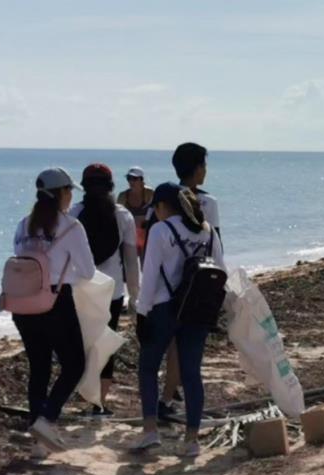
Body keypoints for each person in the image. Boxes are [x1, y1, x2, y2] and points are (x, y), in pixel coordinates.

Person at [132, 182, 226, 456]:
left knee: (148, 368)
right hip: (197, 310)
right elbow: (221, 270)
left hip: (164, 308)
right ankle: (191, 439)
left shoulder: (161, 230)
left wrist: (141, 312)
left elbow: (149, 276)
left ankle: (150, 431)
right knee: (191, 373)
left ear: (162, 206)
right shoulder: (207, 230)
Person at [12, 168, 96, 451]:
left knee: (39, 367)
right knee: (74, 365)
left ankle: (39, 439)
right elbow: (87, 270)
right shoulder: (71, 226)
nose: (71, 196)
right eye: (69, 190)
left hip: (23, 304)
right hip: (56, 302)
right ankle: (47, 419)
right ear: (60, 193)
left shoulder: (24, 224)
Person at [69, 164, 141, 417]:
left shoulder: (74, 213)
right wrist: (135, 294)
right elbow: (131, 260)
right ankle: (98, 403)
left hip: (81, 290)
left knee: (83, 344)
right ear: (111, 186)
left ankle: (83, 394)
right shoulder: (123, 216)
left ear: (84, 186)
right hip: (112, 291)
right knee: (105, 345)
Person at [173, 143, 220, 238]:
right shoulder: (209, 202)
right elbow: (216, 242)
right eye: (204, 166)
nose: (205, 171)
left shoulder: (164, 198)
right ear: (198, 168)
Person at [117, 167, 154, 260]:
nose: (131, 181)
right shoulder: (123, 196)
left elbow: (157, 213)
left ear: (142, 180)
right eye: (129, 178)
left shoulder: (150, 193)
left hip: (147, 235)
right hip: (130, 235)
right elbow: (118, 217)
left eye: (134, 179)